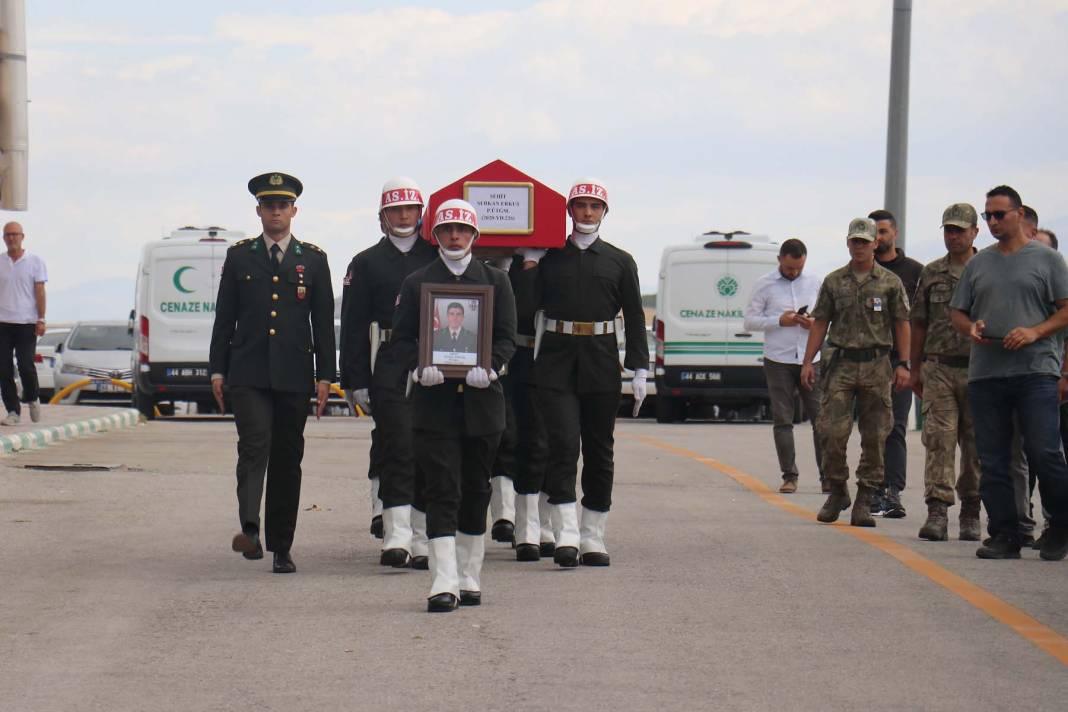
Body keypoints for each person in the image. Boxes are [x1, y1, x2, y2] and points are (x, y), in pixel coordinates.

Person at [392, 198, 516, 612]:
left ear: (475, 235)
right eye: (447, 230)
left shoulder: (496, 281)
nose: (455, 237)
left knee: (476, 489)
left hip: (483, 405)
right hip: (435, 405)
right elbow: (405, 337)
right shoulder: (417, 282)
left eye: (462, 230)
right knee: (441, 487)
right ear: (436, 235)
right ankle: (443, 580)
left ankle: (470, 574)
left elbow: (505, 336)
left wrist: (493, 367)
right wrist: (417, 366)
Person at [516, 178, 648, 567]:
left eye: (594, 206)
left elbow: (636, 317)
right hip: (555, 361)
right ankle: (566, 534)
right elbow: (524, 310)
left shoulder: (620, 261)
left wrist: (640, 366)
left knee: (599, 449)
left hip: (601, 361)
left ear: (604, 212)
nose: (587, 213)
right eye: (580, 206)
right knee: (562, 447)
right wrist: (528, 264)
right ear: (569, 211)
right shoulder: (551, 257)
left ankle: (593, 534)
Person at [209, 172, 336, 574]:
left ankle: (282, 546)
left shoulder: (313, 259)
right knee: (253, 446)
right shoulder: (240, 256)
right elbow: (224, 319)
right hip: (247, 372)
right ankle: (250, 529)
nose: (276, 212)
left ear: (294, 211)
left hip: (294, 375)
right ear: (259, 211)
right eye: (269, 205)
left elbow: (322, 322)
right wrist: (217, 370)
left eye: (283, 205)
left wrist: (325, 376)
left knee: (287, 457)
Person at [949, 184, 1068, 561]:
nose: (993, 222)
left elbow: (1066, 310)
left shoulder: (1046, 260)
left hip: (1035, 371)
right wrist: (969, 328)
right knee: (994, 457)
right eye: (988, 216)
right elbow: (957, 311)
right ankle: (1004, 534)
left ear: (1019, 214)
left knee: (1043, 451)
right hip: (987, 373)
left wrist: (1035, 330)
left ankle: (1060, 527)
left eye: (999, 214)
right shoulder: (978, 263)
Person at [339, 177, 438, 569]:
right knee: (396, 444)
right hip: (389, 358)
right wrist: (355, 378)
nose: (404, 216)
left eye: (410, 209)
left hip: (433, 357)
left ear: (421, 213)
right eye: (396, 209)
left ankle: (423, 535)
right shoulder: (365, 262)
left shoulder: (437, 254)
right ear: (383, 215)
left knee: (429, 448)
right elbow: (352, 324)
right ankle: (396, 536)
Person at [801, 217, 911, 527]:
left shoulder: (890, 282)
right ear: (848, 243)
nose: (859, 246)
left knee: (876, 436)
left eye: (865, 241)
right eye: (855, 241)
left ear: (876, 243)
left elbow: (902, 322)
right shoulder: (835, 281)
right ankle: (837, 490)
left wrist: (904, 363)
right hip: (842, 365)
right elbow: (821, 320)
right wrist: (808, 361)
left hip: (877, 365)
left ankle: (865, 497)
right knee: (831, 432)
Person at [908, 203, 982, 542]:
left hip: (980, 369)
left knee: (976, 443)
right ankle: (937, 509)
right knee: (939, 439)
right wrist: (914, 368)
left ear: (974, 233)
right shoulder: (932, 273)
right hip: (938, 368)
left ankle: (971, 508)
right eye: (948, 230)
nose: (953, 236)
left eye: (959, 230)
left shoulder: (987, 269)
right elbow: (918, 322)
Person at [743, 238, 825, 494]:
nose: (794, 272)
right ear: (780, 260)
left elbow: (830, 319)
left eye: (798, 268)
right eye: (790, 268)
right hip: (778, 359)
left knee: (821, 420)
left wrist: (814, 324)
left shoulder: (815, 283)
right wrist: (779, 320)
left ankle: (828, 477)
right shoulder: (764, 284)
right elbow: (749, 321)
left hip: (811, 359)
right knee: (783, 419)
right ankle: (789, 475)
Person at [869, 209, 923, 519]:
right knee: (871, 428)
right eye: (873, 233)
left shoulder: (915, 271)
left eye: (883, 232)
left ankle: (892, 490)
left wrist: (912, 363)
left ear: (895, 234)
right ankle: (872, 488)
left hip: (900, 362)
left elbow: (923, 321)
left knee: (895, 427)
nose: (878, 238)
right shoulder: (860, 270)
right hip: (867, 362)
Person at [0, 222, 47, 425]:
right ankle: (13, 411)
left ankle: (33, 397)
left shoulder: (35, 261)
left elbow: (39, 291)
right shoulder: (1, 261)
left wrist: (41, 318)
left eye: (15, 234)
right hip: (3, 322)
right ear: (3, 238)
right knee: (3, 368)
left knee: (26, 365)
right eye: (8, 235)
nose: (11, 238)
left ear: (22, 236)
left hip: (26, 322)